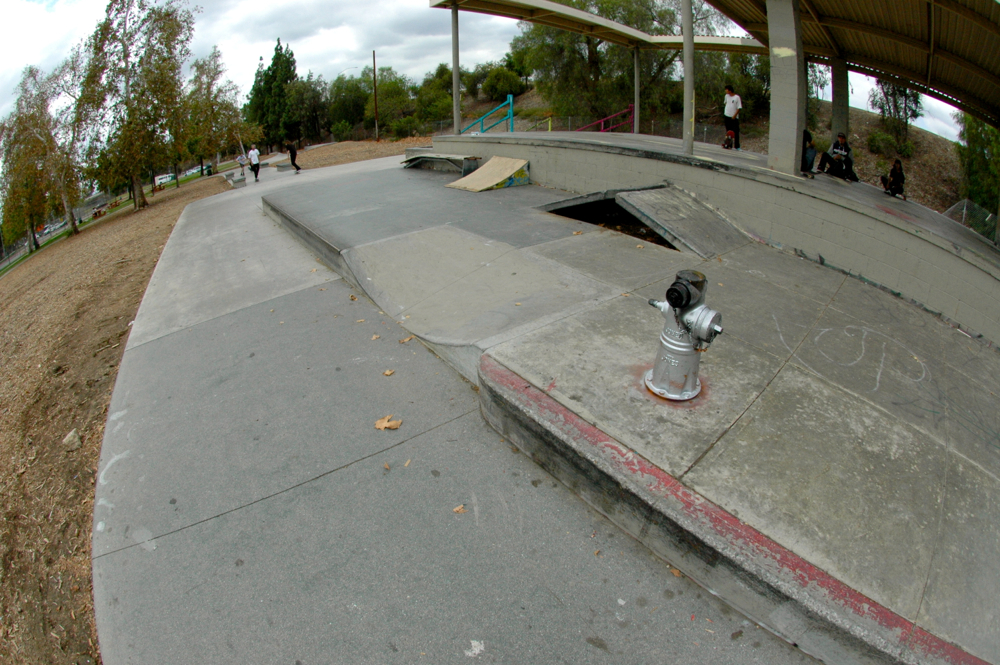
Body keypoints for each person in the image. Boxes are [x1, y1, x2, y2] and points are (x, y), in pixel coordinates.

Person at [723, 85, 742, 151]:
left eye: (726, 90)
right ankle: (728, 144)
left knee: (736, 131)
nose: (725, 91)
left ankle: (737, 146)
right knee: (728, 131)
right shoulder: (726, 96)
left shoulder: (737, 97)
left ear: (730, 90)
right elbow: (726, 103)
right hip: (727, 115)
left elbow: (739, 108)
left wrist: (734, 115)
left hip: (734, 117)